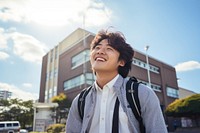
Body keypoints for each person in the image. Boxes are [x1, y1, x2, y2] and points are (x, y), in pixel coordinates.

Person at [66, 29, 168, 133]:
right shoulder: (80, 100)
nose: (100, 51)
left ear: (122, 62)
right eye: (97, 47)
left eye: (109, 48)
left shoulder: (143, 94)